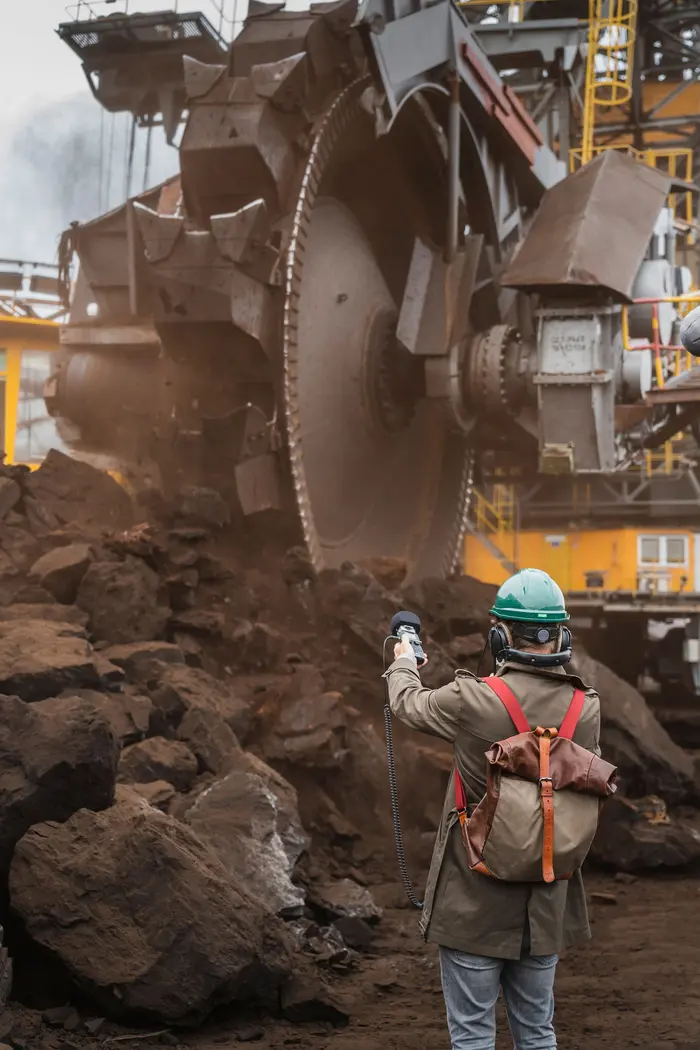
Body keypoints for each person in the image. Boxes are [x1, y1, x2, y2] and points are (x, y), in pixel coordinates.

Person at [384, 568, 602, 1050]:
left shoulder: (472, 700)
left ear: (499, 635)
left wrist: (404, 659)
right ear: (562, 635)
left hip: (472, 904)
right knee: (539, 1034)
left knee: (473, 1038)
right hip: (545, 904)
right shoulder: (586, 708)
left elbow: (407, 704)